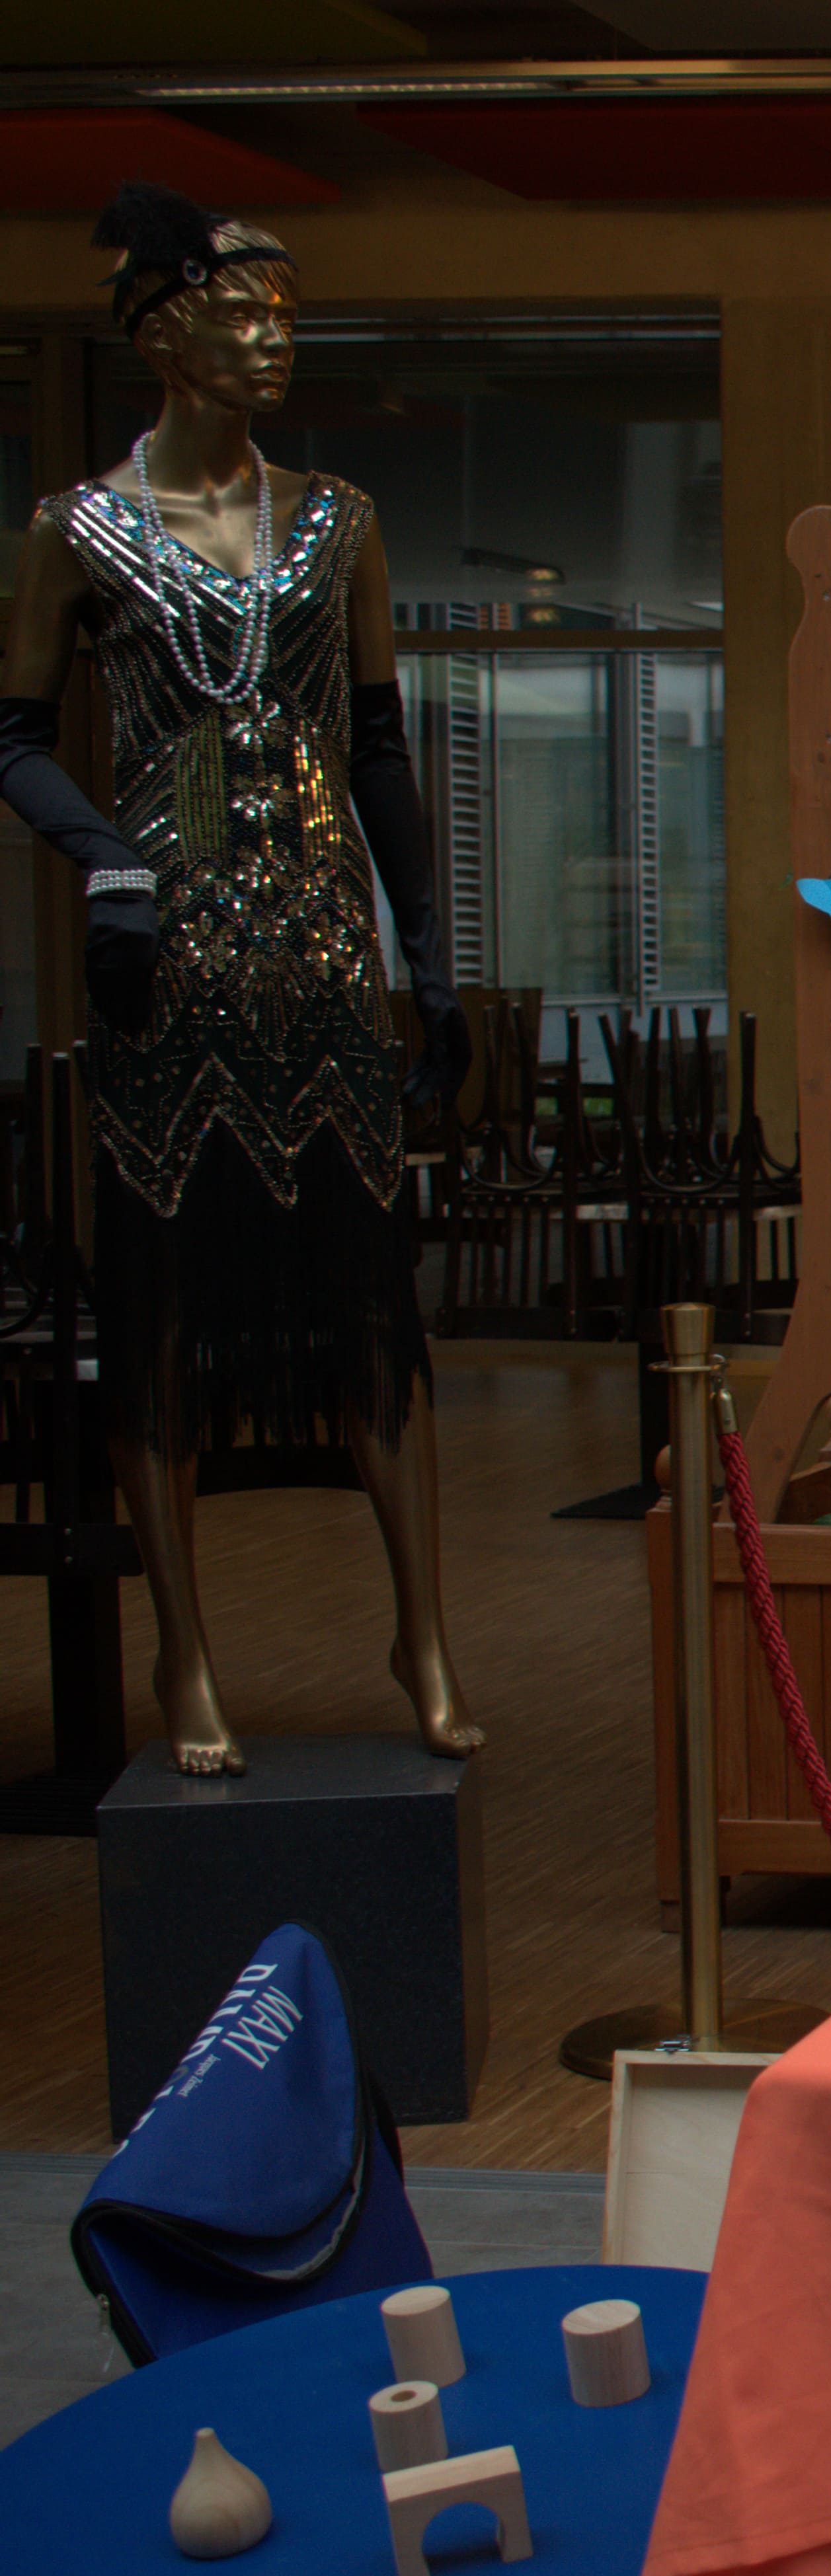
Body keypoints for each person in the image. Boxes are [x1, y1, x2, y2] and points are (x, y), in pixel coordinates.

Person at [0, 184, 477, 1776]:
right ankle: (185, 1652)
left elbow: (381, 745)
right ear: (162, 334)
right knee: (162, 1303)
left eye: (287, 316)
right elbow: (12, 733)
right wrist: (104, 856)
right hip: (166, 938)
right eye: (242, 313)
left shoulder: (337, 518)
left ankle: (423, 1632)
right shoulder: (79, 530)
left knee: (368, 1295)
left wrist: (428, 953)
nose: (274, 340)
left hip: (322, 942)